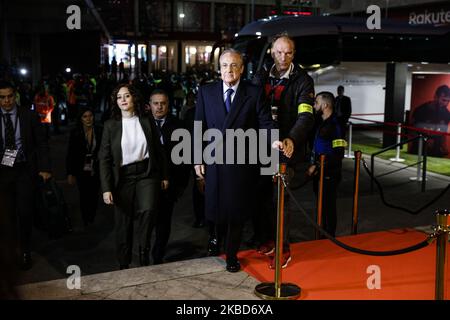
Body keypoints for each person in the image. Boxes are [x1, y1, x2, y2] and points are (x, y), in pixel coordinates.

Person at [194, 49, 289, 273]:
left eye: (234, 65)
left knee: (236, 211)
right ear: (219, 69)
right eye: (225, 65)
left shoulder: (253, 93)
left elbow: (266, 122)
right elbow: (199, 126)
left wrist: (274, 141)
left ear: (242, 69)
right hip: (214, 159)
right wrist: (197, 157)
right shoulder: (206, 91)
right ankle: (215, 237)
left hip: (241, 162)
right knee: (216, 208)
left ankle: (232, 255)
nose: (229, 70)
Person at [251, 34, 315, 269]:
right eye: (279, 52)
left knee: (281, 200)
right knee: (262, 198)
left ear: (293, 54)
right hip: (260, 149)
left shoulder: (303, 81)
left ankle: (284, 248)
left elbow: (306, 116)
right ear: (271, 52)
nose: (283, 57)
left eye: (288, 52)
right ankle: (268, 239)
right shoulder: (260, 76)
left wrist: (291, 139)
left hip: (286, 151)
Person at [99, 83, 169, 269]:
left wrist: (164, 175)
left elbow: (159, 150)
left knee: (148, 210)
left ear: (134, 99)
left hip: (146, 173)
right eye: (119, 97)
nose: (123, 100)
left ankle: (144, 252)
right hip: (122, 177)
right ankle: (124, 262)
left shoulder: (147, 120)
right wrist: (106, 189)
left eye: (127, 96)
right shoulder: (110, 125)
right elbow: (104, 159)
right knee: (124, 222)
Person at [0, 80, 52, 270]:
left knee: (25, 212)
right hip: (3, 173)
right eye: (2, 97)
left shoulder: (28, 115)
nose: (6, 101)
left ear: (15, 96)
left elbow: (42, 142)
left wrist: (45, 167)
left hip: (24, 171)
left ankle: (25, 250)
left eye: (10, 96)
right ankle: (10, 250)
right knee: (7, 215)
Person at [146, 89, 189, 264]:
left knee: (163, 223)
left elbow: (185, 159)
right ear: (149, 105)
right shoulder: (142, 124)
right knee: (147, 222)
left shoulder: (179, 126)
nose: (159, 107)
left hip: (169, 185)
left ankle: (158, 254)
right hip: (147, 183)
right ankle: (144, 251)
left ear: (168, 105)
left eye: (162, 103)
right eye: (155, 103)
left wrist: (179, 187)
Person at [307, 92, 345, 237]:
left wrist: (317, 165)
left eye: (316, 102)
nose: (314, 105)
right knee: (321, 205)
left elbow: (338, 153)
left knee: (328, 206)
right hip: (319, 172)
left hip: (329, 173)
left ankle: (329, 237)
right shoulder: (319, 122)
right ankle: (322, 234)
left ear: (325, 105)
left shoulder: (336, 125)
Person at [66, 106, 103, 228]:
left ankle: (91, 215)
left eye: (90, 116)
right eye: (85, 116)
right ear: (81, 119)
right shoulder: (75, 133)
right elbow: (70, 154)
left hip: (96, 168)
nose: (88, 119)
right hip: (81, 169)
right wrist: (70, 173)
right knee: (84, 194)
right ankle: (85, 217)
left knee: (94, 194)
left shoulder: (99, 130)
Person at [411, 85, 450, 157]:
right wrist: (425, 139)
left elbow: (443, 132)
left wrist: (444, 147)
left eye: (448, 101)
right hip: (419, 148)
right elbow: (412, 130)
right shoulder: (421, 110)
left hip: (436, 149)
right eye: (443, 100)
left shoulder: (447, 114)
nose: (446, 103)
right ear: (435, 97)